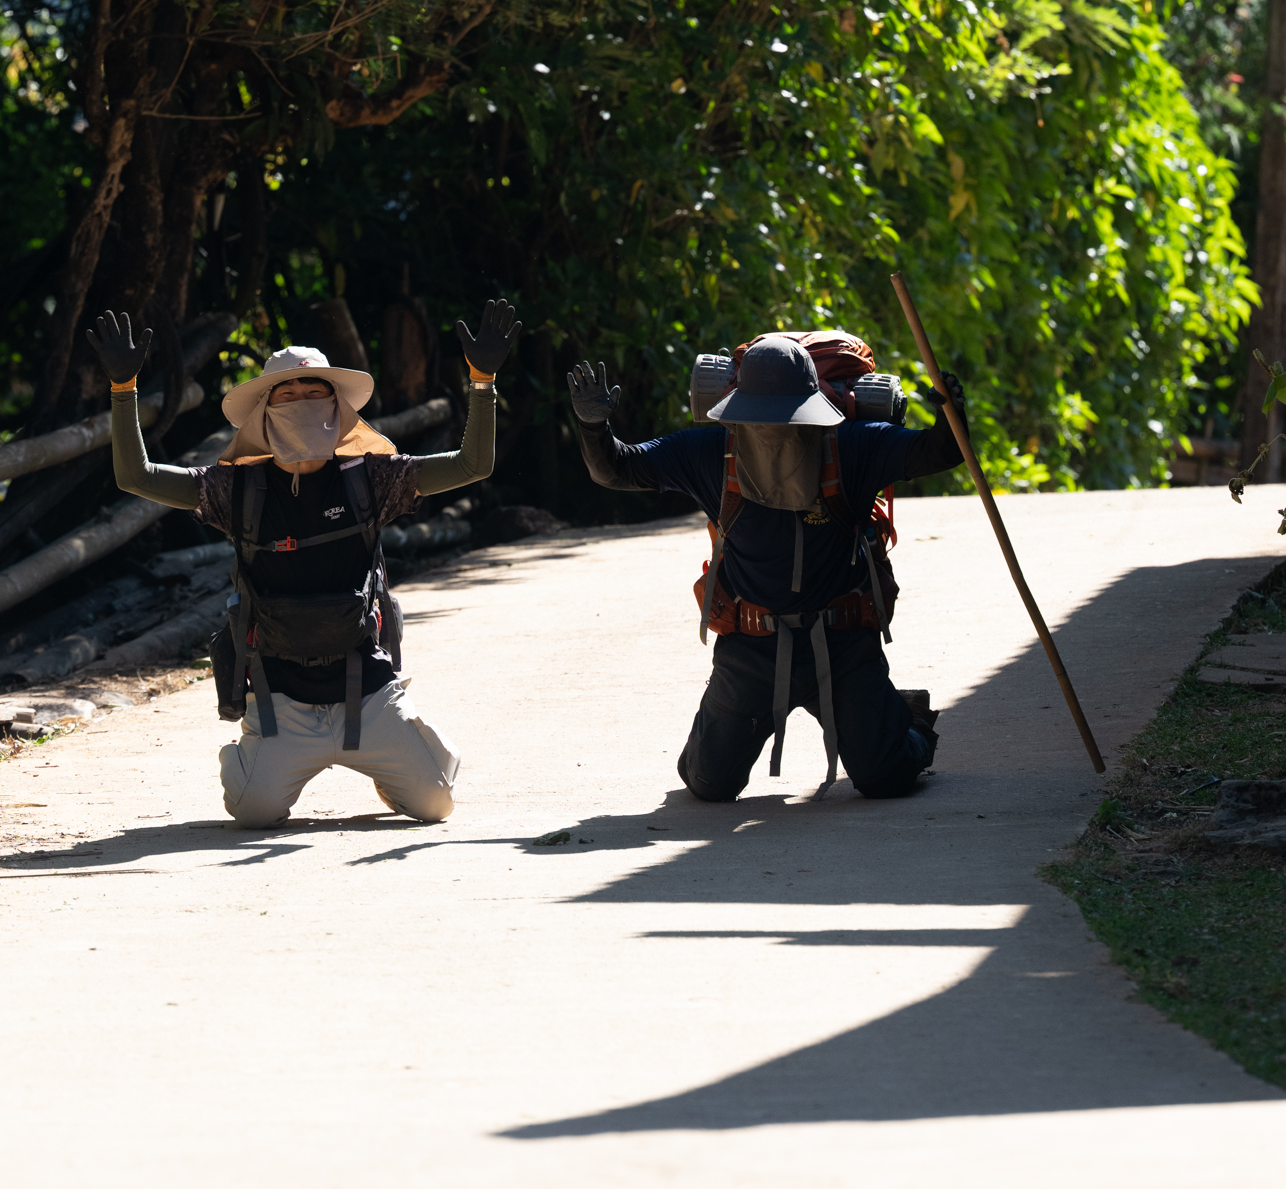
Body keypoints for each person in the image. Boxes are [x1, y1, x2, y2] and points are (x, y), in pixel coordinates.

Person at [91, 299, 518, 827]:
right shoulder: (236, 489)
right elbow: (136, 477)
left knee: (435, 804)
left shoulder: (371, 479)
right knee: (253, 813)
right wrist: (124, 389)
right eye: (285, 394)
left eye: (314, 391)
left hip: (366, 691)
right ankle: (254, 756)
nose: (300, 401)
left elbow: (473, 466)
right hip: (281, 698)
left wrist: (482, 381)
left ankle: (399, 762)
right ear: (263, 412)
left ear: (337, 406)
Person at [567, 332, 967, 801]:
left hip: (842, 645)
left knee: (886, 779)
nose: (775, 430)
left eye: (789, 418)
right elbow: (617, 469)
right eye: (761, 418)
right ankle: (732, 736)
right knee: (709, 784)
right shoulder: (709, 452)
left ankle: (904, 717)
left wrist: (950, 413)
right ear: (738, 411)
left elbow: (939, 452)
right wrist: (593, 426)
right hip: (750, 649)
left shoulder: (852, 445)